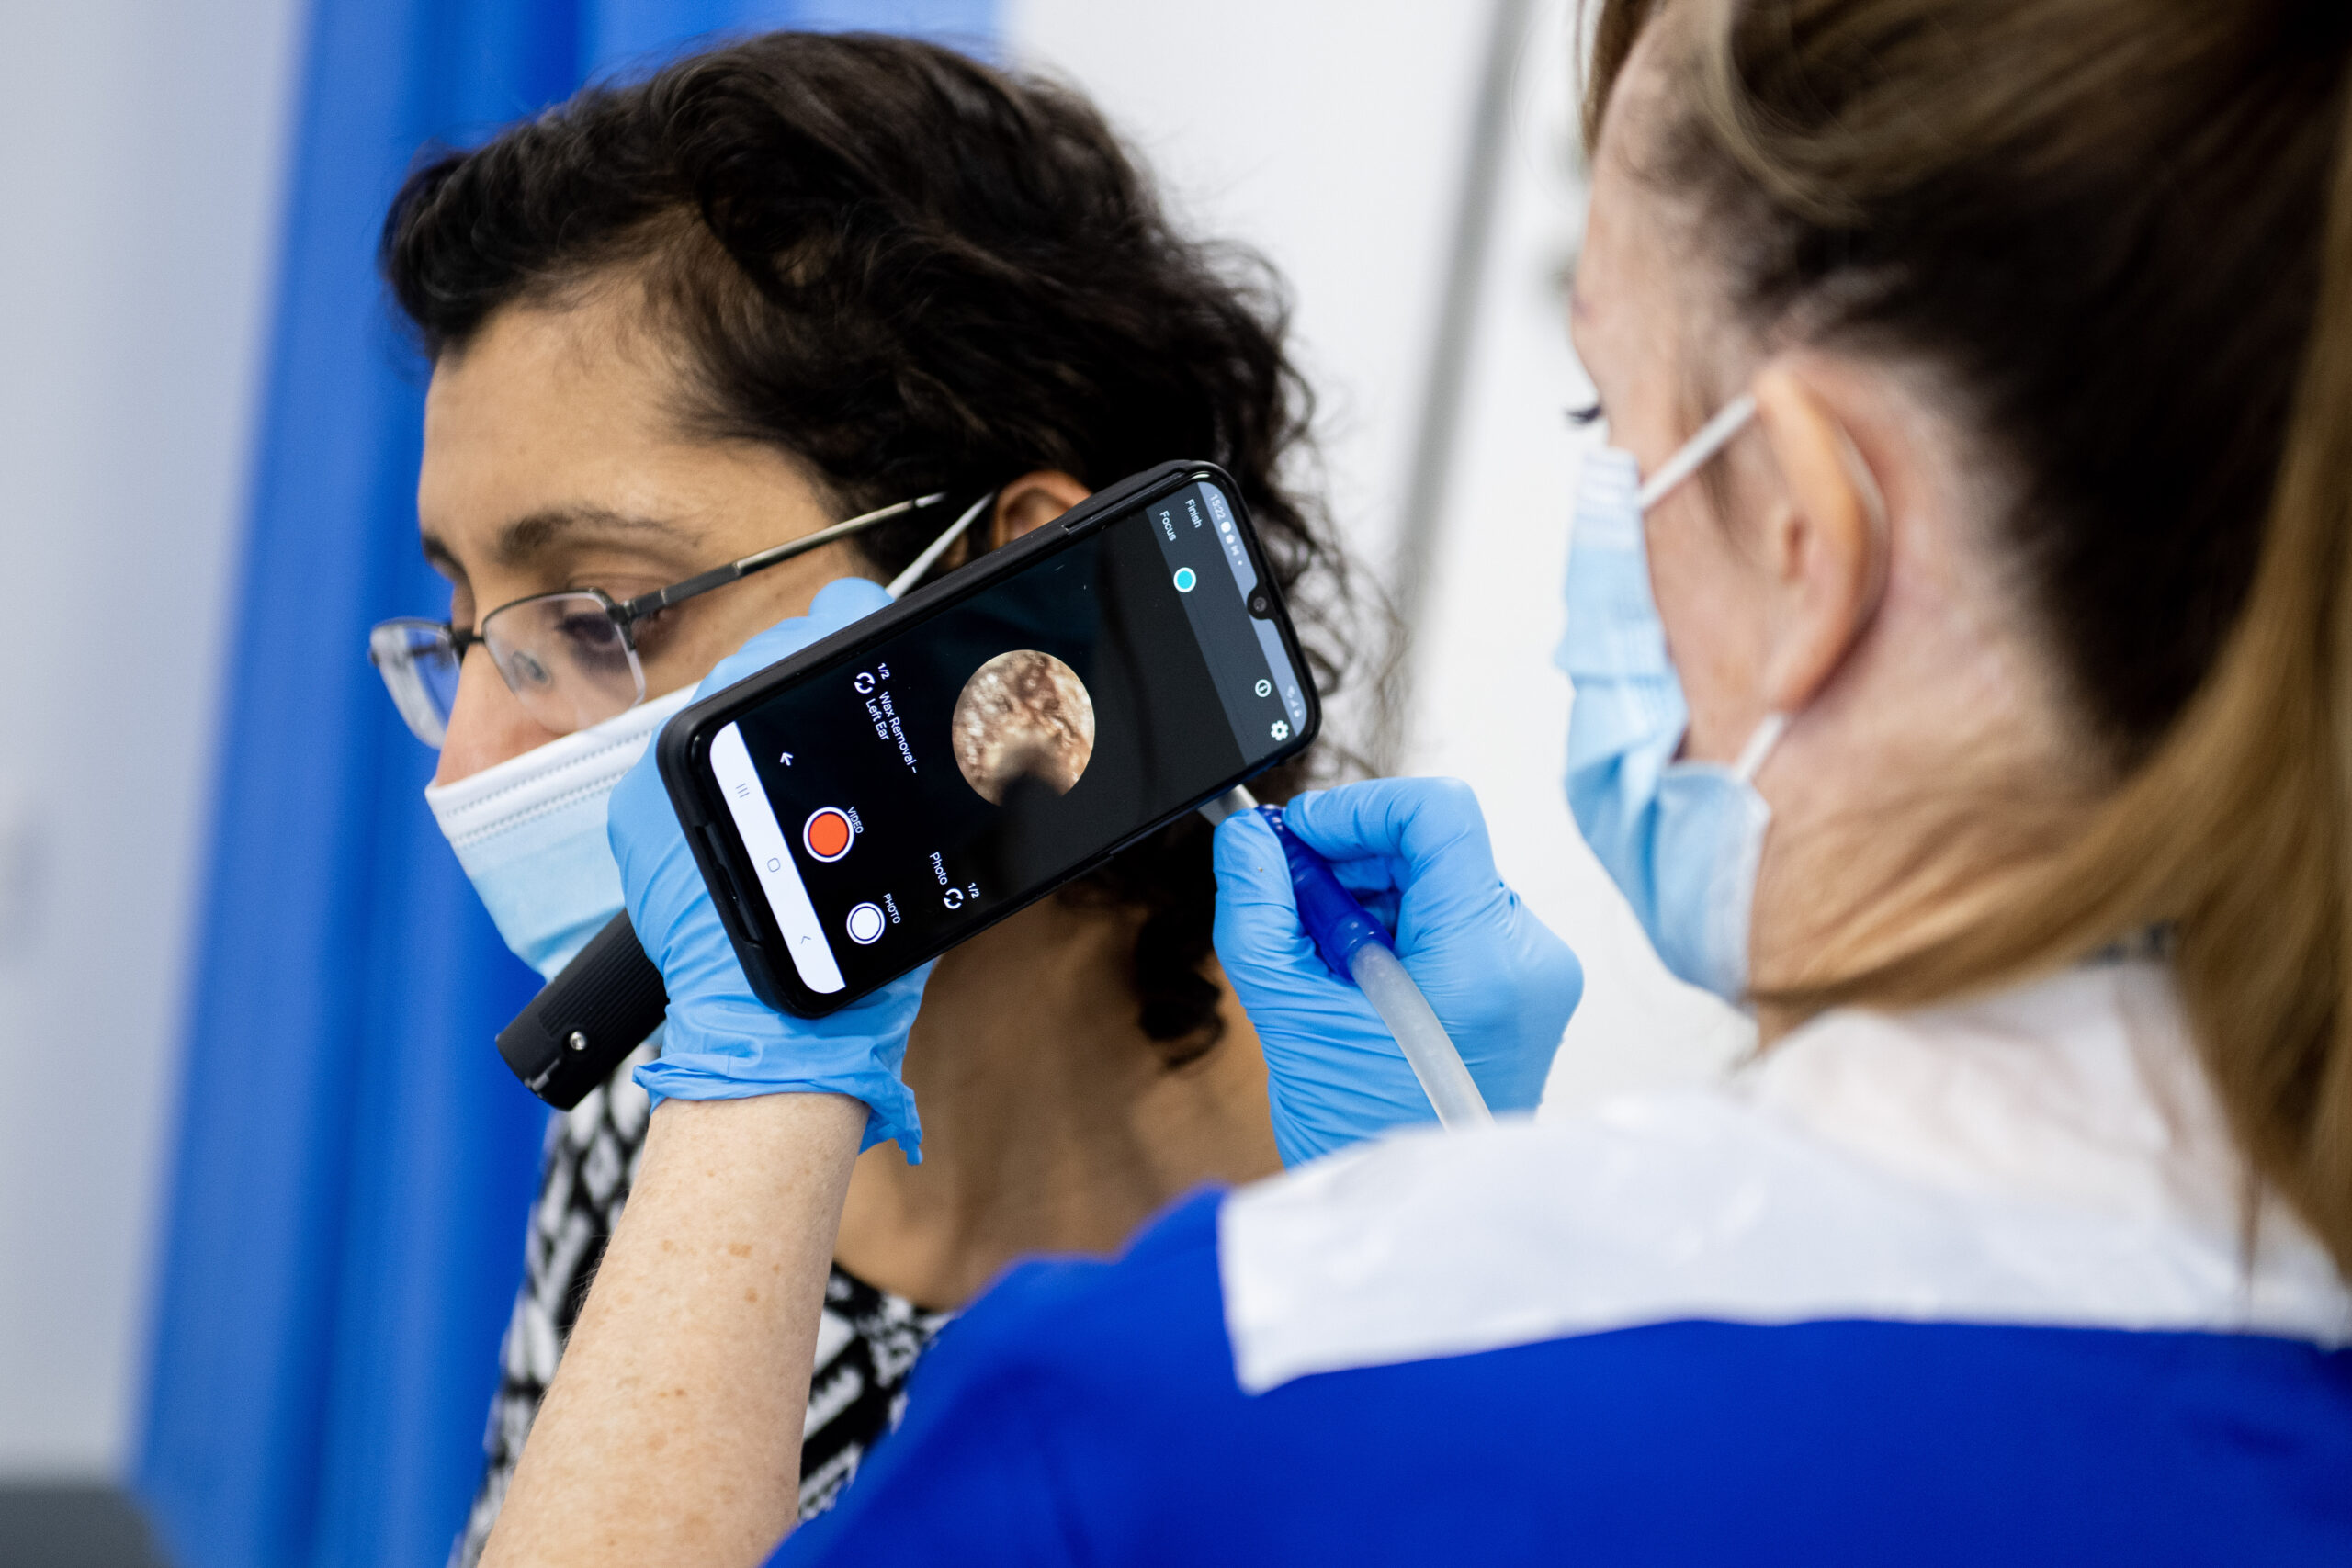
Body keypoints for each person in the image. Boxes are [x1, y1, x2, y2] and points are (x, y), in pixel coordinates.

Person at [489, 0, 2352, 1563]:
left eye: (1606, 417)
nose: (482, 734)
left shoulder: (1164, 1412)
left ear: (1800, 532)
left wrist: (1416, 1279)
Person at [361, 30, 1379, 1562]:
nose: (466, 766)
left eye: (599, 619)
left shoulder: (1339, 1238)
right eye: (463, 628)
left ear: (1020, 589)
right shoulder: (667, 1101)